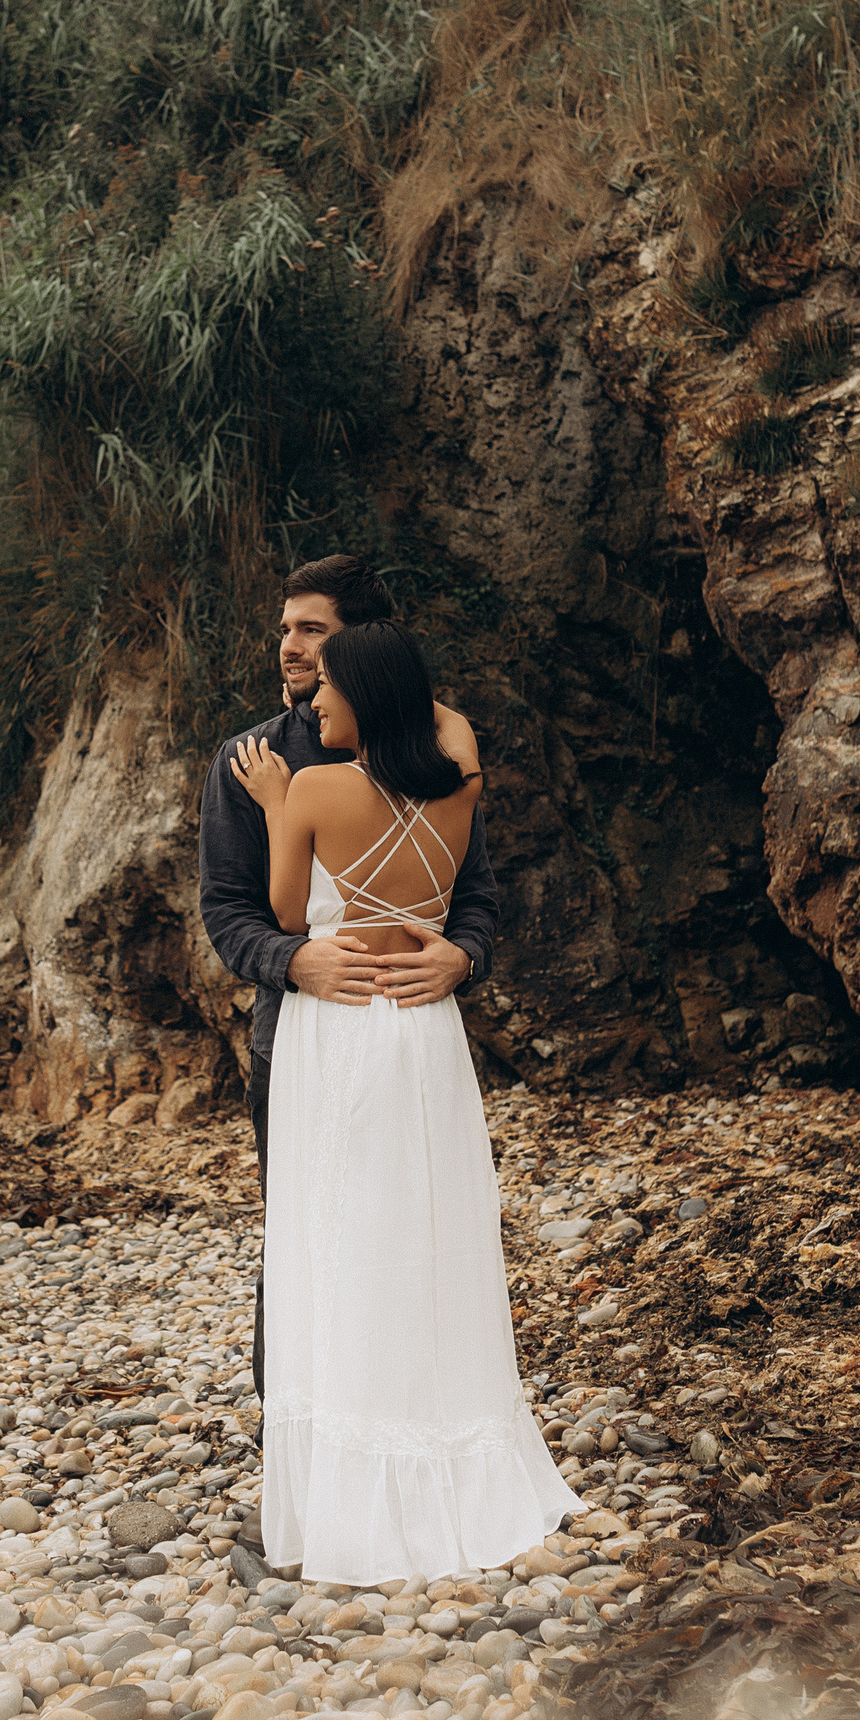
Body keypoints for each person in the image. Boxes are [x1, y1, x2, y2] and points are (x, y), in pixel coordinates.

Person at [230, 620, 573, 1584]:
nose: (312, 704)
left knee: (338, 1234)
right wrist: (400, 687)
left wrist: (274, 805)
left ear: (366, 698)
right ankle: (444, 1462)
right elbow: (451, 726)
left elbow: (287, 915)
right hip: (423, 1030)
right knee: (424, 1231)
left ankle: (354, 1491)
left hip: (337, 1028)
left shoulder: (310, 788)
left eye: (329, 688)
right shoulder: (457, 788)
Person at [198, 555, 498, 1395]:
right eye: (285, 630)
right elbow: (228, 911)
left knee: (414, 1228)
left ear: (361, 645)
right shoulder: (246, 758)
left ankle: (410, 1414)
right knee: (306, 1236)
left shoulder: (430, 751)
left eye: (313, 632)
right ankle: (294, 1432)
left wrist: (463, 955)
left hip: (405, 1019)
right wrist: (294, 959)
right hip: (295, 1036)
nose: (291, 648)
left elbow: (476, 895)